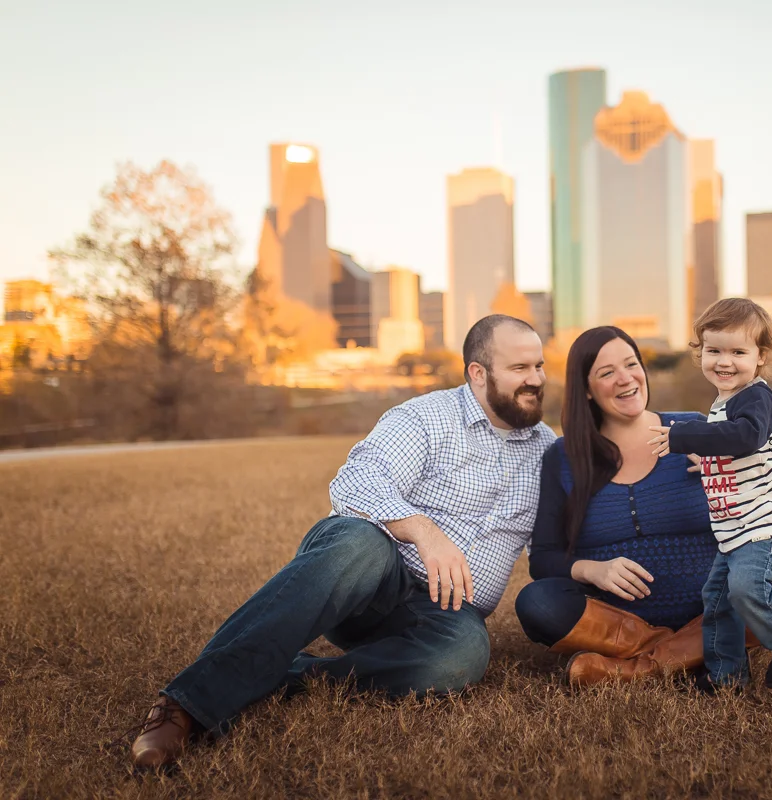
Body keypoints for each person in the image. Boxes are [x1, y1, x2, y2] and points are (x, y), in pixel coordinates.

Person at [129, 315, 557, 769]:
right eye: (519, 369)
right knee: (362, 543)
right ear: (478, 373)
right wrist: (423, 530)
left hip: (444, 613)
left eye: (539, 366)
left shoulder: (547, 449)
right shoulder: (425, 419)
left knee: (463, 657)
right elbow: (357, 480)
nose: (535, 380)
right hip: (367, 581)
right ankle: (185, 706)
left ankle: (290, 674)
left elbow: (555, 546)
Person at [515, 325, 772, 686]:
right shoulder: (562, 457)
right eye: (606, 373)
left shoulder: (696, 430)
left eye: (631, 364)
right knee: (538, 603)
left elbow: (757, 478)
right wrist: (593, 570)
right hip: (616, 617)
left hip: (710, 604)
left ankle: (637, 668)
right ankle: (692, 655)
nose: (625, 379)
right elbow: (544, 560)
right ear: (586, 389)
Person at [649, 298, 772, 692]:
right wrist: (707, 464)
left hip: (766, 525)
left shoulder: (755, 396)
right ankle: (727, 677)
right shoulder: (723, 403)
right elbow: (732, 450)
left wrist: (682, 436)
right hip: (735, 529)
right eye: (714, 350)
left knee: (745, 588)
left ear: (761, 356)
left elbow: (746, 438)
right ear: (700, 352)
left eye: (738, 351)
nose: (724, 361)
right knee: (718, 598)